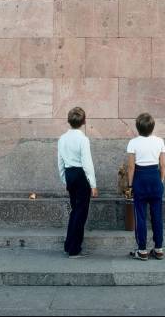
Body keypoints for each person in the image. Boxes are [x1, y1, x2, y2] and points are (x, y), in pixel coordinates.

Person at [58, 107, 98, 259]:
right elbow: (87, 163)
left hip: (69, 174)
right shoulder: (83, 139)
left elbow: (60, 161)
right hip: (81, 175)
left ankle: (69, 244)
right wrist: (93, 184)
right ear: (84, 121)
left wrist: (64, 178)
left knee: (75, 210)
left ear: (69, 121)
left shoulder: (62, 139)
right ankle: (74, 248)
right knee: (80, 212)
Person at [127, 113, 165, 261]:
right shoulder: (160, 141)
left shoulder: (133, 143)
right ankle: (159, 249)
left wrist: (130, 185)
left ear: (137, 127)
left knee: (140, 216)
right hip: (155, 178)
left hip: (140, 179)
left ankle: (142, 250)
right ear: (152, 127)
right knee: (157, 216)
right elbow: (163, 165)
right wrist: (160, 181)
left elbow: (131, 167)